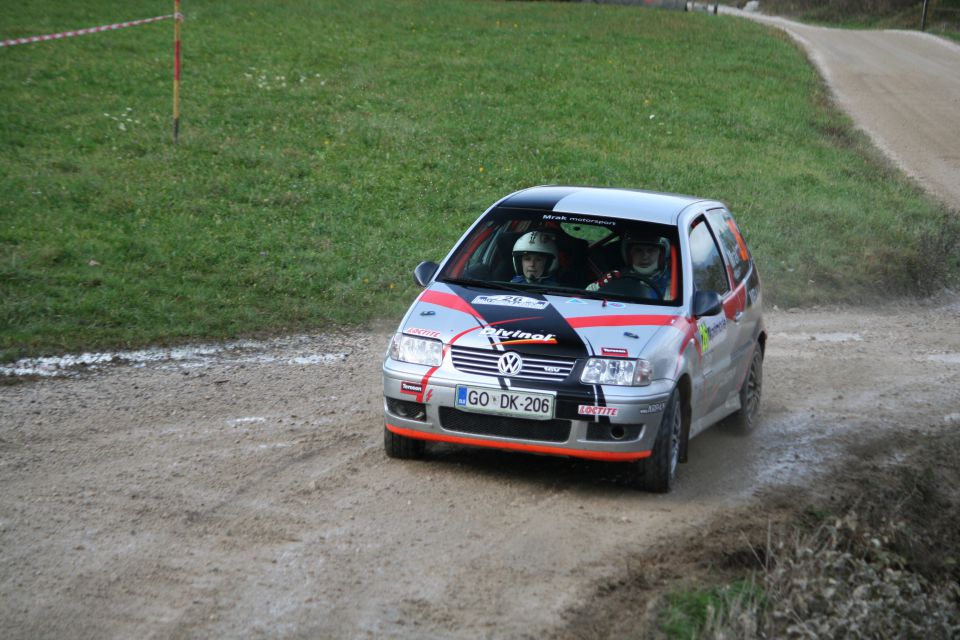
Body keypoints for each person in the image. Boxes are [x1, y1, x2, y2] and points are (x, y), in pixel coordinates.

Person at [586, 232, 673, 300]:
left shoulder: (674, 281)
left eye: (651, 250)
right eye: (638, 251)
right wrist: (602, 285)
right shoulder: (615, 277)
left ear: (661, 254)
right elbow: (586, 296)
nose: (645, 256)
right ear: (628, 254)